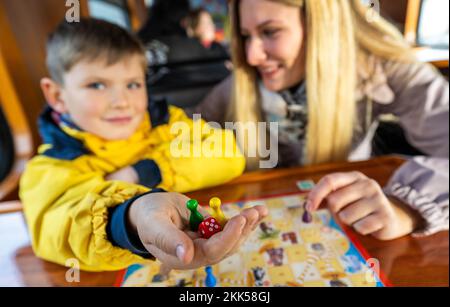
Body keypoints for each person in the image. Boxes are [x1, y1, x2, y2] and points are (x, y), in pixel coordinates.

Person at [19, 18, 268, 272]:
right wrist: (129, 219)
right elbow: (59, 227)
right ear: (57, 96)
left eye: (133, 84)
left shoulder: (164, 121)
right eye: (97, 85)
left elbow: (227, 152)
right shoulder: (51, 166)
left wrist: (148, 171)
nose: (122, 101)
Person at [192, 0, 449, 240]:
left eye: (270, 31)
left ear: (322, 26)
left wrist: (407, 209)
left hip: (346, 231)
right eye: (246, 36)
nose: (251, 57)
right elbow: (185, 139)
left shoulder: (381, 69)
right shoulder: (240, 83)